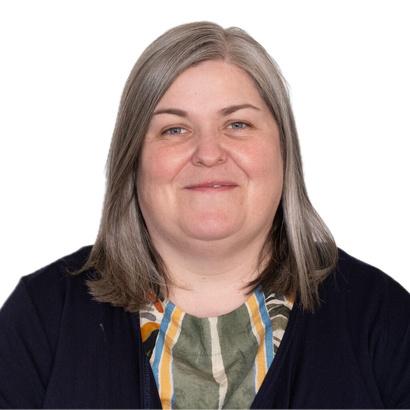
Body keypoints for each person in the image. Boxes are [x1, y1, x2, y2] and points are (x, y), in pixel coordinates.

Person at [0, 20, 409, 409]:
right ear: (133, 159)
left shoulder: (384, 318)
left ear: (284, 151)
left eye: (238, 124)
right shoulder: (41, 319)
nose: (209, 153)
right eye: (174, 129)